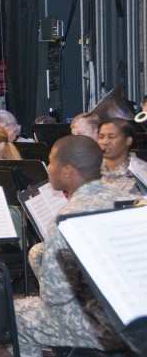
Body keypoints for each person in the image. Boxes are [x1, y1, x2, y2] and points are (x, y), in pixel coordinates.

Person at [16, 135, 138, 356]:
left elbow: (55, 296)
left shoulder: (66, 219)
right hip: (135, 315)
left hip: (100, 326)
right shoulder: (129, 202)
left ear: (68, 171)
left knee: (17, 313)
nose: (49, 168)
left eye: (52, 162)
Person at [98, 117, 147, 194]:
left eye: (112, 137)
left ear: (128, 141)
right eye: (101, 137)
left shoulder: (140, 172)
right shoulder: (91, 169)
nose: (104, 142)